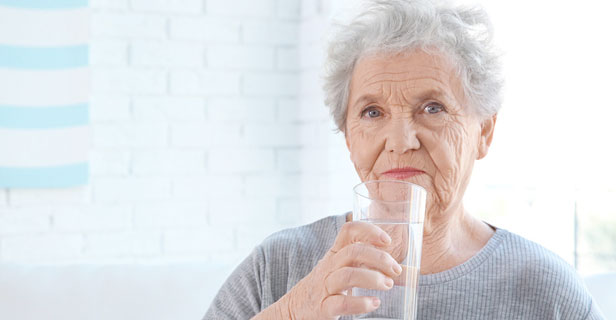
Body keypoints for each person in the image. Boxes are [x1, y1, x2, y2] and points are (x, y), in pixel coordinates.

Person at [203, 0, 605, 319]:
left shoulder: (547, 290)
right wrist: (293, 312)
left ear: (484, 132)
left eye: (432, 108)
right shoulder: (280, 265)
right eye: (372, 113)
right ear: (348, 138)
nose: (399, 141)